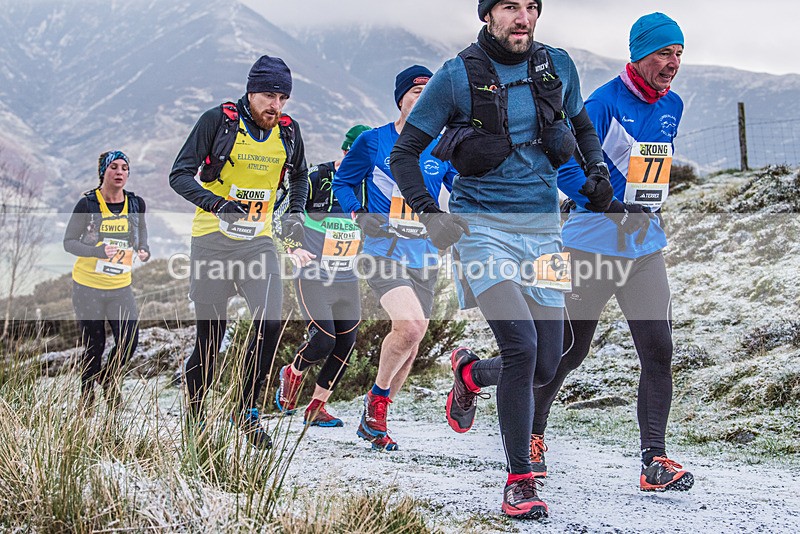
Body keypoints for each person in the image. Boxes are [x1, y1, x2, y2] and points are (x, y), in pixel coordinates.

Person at [391, 0, 613, 520]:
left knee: (547, 360)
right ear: (488, 15)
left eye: (531, 7)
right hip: (480, 231)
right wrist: (429, 213)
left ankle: (469, 375)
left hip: (541, 232)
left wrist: (596, 169)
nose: (523, 17)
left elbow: (581, 126)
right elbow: (405, 153)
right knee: (522, 345)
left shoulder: (558, 66)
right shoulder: (454, 77)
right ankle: (519, 482)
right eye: (510, 6)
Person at [531, 12, 694, 493]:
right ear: (640, 53)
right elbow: (562, 170)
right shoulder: (600, 103)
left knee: (659, 351)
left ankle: (655, 461)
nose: (673, 64)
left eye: (679, 54)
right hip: (591, 246)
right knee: (567, 350)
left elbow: (653, 169)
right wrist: (605, 202)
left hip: (645, 249)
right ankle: (532, 437)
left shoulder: (674, 105)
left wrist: (647, 205)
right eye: (664, 53)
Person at [169, 55, 308, 449]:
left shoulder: (289, 131)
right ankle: (195, 417)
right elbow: (179, 174)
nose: (275, 105)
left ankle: (246, 410)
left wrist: (295, 214)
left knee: (270, 320)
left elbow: (299, 175)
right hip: (212, 241)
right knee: (210, 343)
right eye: (268, 95)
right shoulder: (218, 121)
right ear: (250, 92)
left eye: (282, 97)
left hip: (258, 242)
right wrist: (218, 204)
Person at [332, 65, 457, 451]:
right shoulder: (373, 141)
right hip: (382, 251)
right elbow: (343, 181)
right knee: (411, 325)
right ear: (401, 98)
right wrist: (358, 213)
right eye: (416, 91)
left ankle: (376, 412)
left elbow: (462, 189)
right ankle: (375, 408)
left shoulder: (441, 147)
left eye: (429, 92)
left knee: (412, 340)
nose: (423, 97)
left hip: (424, 256)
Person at [274, 124, 371, 428]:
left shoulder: (371, 185)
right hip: (313, 274)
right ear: (345, 151)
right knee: (323, 341)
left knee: (345, 344)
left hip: (347, 278)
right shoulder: (317, 177)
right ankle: (293, 372)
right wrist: (293, 248)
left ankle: (317, 408)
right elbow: (282, 215)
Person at [64, 150, 150, 415]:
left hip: (120, 286)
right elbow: (69, 242)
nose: (120, 172)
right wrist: (97, 251)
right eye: (114, 167)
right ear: (104, 171)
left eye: (125, 167)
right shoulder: (88, 204)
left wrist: (144, 250)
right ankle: (87, 398)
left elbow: (142, 234)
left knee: (130, 340)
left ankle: (110, 380)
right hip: (88, 285)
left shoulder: (135, 204)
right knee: (95, 344)